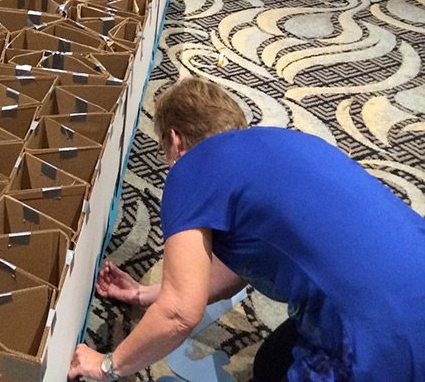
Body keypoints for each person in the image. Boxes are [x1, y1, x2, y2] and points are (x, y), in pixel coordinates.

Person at [67, 77, 425, 381]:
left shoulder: (191, 169)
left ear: (175, 141)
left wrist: (107, 365)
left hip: (377, 337)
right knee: (271, 363)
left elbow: (179, 315)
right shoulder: (286, 142)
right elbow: (242, 265)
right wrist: (150, 294)